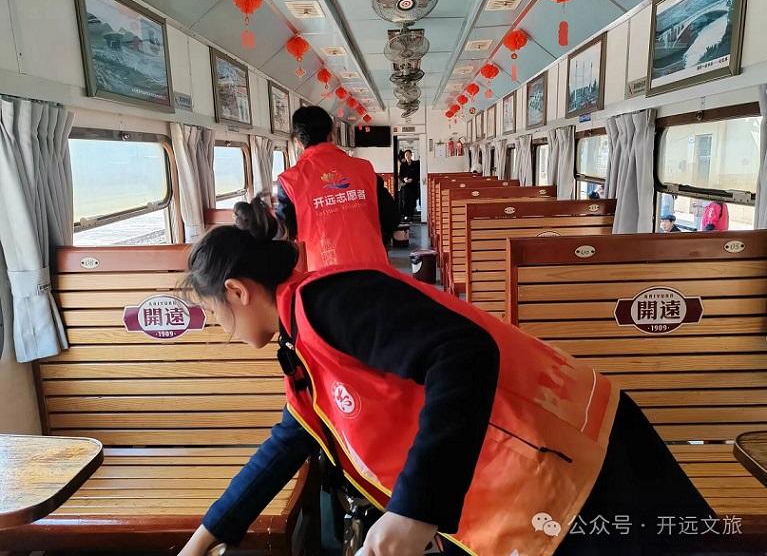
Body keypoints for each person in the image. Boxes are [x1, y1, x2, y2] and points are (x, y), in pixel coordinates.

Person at [177, 203, 714, 556]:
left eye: (216, 313)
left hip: (576, 455)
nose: (222, 329)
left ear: (237, 291)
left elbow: (463, 353)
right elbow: (287, 441)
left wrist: (415, 510)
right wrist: (206, 537)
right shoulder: (301, 341)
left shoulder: (331, 303)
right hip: (534, 467)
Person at [276, 106, 399, 270]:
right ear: (332, 134)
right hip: (373, 267)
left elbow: (284, 235)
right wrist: (375, 242)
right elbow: (392, 217)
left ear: (297, 141)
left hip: (322, 274)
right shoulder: (364, 169)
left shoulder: (289, 181)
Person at [399, 149, 420, 221]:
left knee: (412, 201)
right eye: (406, 155)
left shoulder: (415, 164)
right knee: (405, 201)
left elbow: (418, 175)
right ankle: (406, 215)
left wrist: (412, 179)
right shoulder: (403, 165)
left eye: (408, 154)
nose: (407, 156)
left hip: (413, 186)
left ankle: (411, 216)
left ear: (411, 155)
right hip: (405, 186)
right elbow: (400, 176)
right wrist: (404, 179)